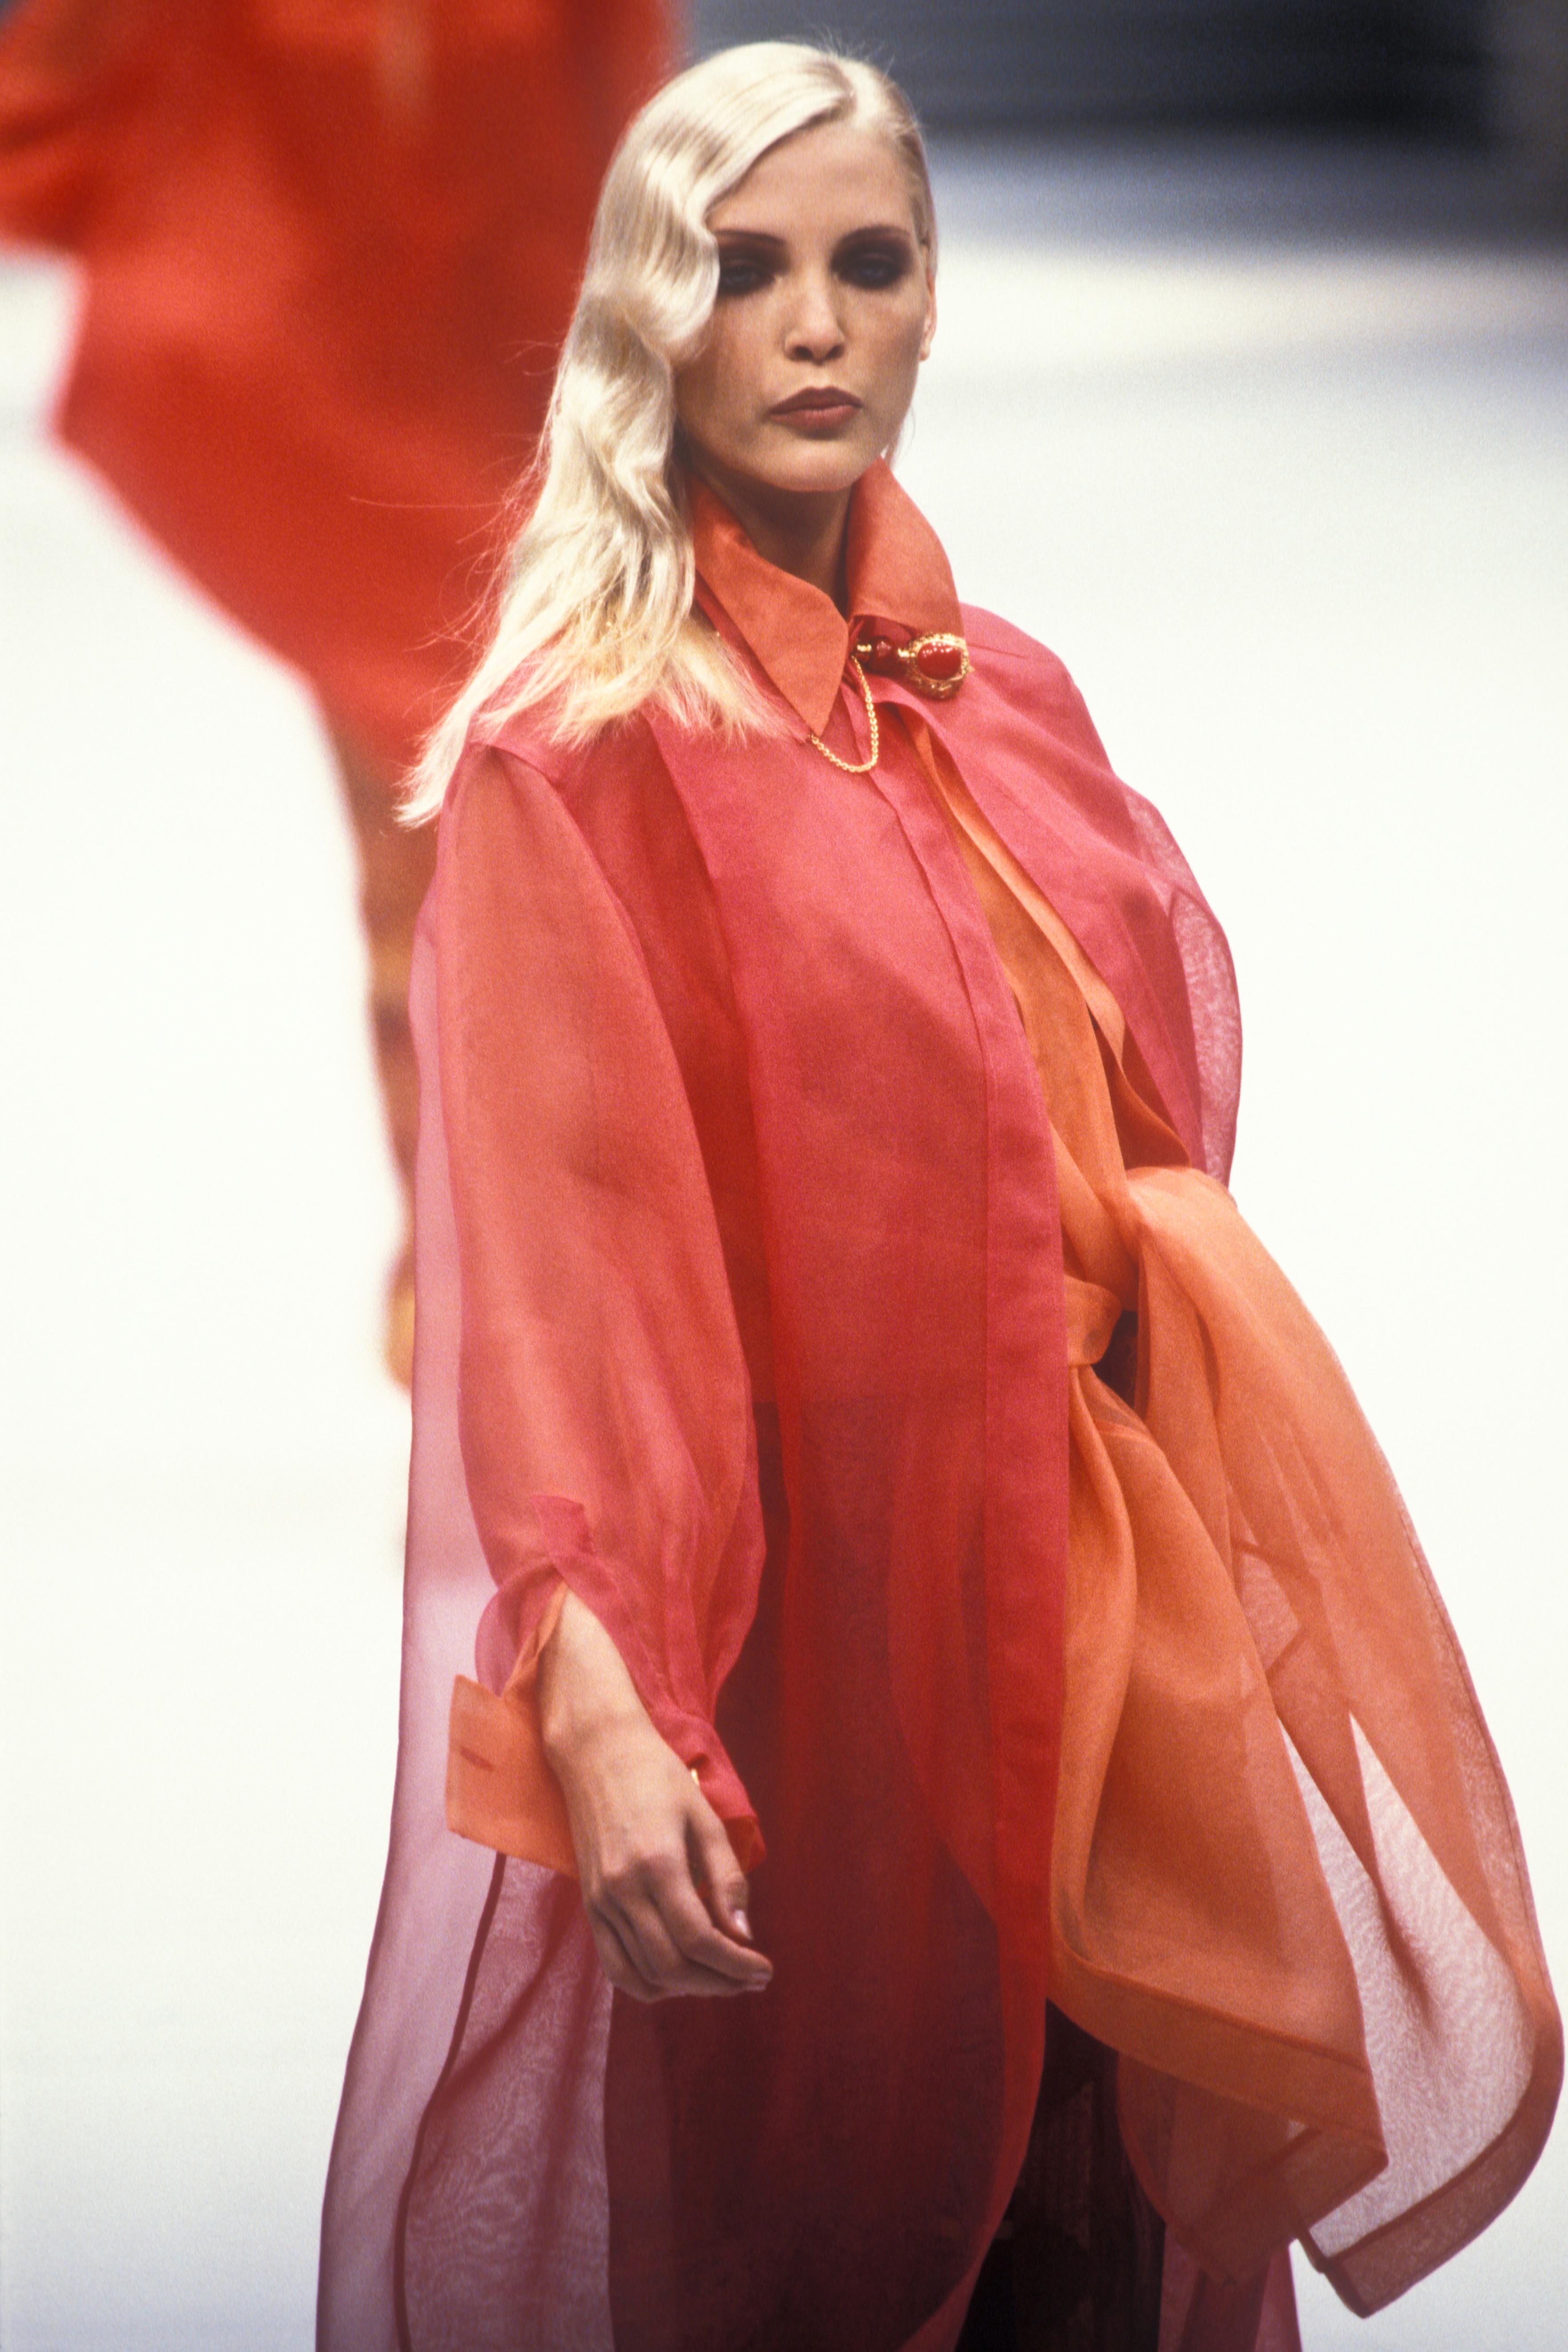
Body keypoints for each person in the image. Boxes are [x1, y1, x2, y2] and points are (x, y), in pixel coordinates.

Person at [318, 43, 1561, 2352]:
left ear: (927, 302)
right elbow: (571, 1292)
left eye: (868, 264)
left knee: (1101, 2237)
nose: (814, 325)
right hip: (826, 1666)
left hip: (1104, 1628)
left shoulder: (1011, 704)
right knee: (839, 2248)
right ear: (649, 315)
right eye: (742, 270)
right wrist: (608, 1695)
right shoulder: (574, 760)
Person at [0, 0, 669, 1378]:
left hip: (519, 403)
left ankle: (493, 1275)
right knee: (441, 853)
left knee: (536, 854)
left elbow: (629, 129)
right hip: (336, 412)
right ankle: (480, 1275)